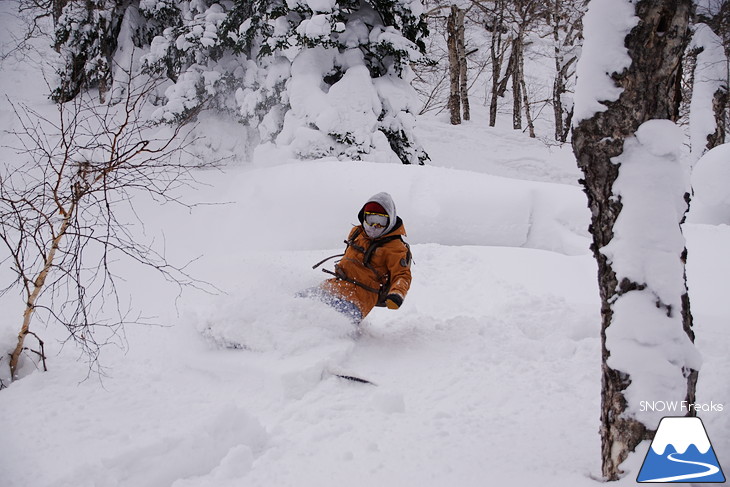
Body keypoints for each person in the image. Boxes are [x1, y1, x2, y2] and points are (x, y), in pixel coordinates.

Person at [306, 192, 412, 324]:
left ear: (390, 220)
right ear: (364, 217)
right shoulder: (357, 232)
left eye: (380, 222)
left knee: (324, 323)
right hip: (334, 286)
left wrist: (397, 294)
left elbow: (402, 275)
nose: (374, 226)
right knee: (298, 305)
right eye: (371, 220)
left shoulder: (395, 248)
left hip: (358, 299)